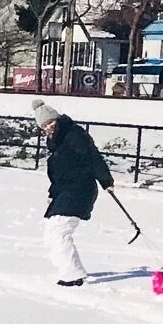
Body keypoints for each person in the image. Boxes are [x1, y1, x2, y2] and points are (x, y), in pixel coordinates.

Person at [34, 98, 113, 287]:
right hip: (66, 190)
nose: (48, 128)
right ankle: (68, 270)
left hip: (80, 189)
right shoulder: (58, 143)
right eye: (44, 126)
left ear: (57, 119)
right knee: (51, 232)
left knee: (59, 231)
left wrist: (106, 181)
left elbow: (93, 157)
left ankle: (72, 274)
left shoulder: (74, 135)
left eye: (51, 123)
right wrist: (52, 193)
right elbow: (60, 172)